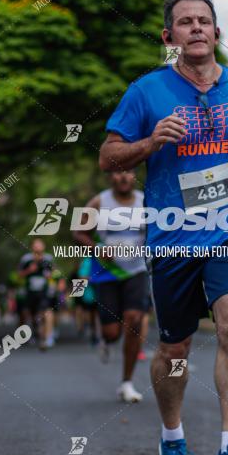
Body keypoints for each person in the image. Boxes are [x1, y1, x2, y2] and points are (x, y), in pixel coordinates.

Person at [98, 0, 228, 455]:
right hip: (173, 234)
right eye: (185, 22)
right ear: (169, 37)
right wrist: (150, 142)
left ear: (217, 33)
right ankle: (172, 435)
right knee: (175, 350)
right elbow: (108, 157)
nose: (196, 28)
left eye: (204, 21)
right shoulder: (146, 91)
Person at [73, 170, 149, 403]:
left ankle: (127, 382)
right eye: (118, 173)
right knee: (112, 332)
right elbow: (78, 232)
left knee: (135, 320)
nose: (123, 177)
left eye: (128, 172)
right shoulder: (99, 202)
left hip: (136, 270)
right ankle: (105, 340)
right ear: (110, 177)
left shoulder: (145, 202)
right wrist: (97, 249)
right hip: (106, 274)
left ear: (134, 175)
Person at [17, 238, 56, 351]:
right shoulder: (26, 259)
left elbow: (54, 272)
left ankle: (48, 338)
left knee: (47, 312)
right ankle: (36, 333)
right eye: (36, 244)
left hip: (44, 292)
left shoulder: (48, 258)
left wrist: (51, 276)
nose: (38, 246)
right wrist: (29, 270)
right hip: (30, 292)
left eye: (40, 244)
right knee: (33, 316)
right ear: (32, 246)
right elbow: (19, 275)